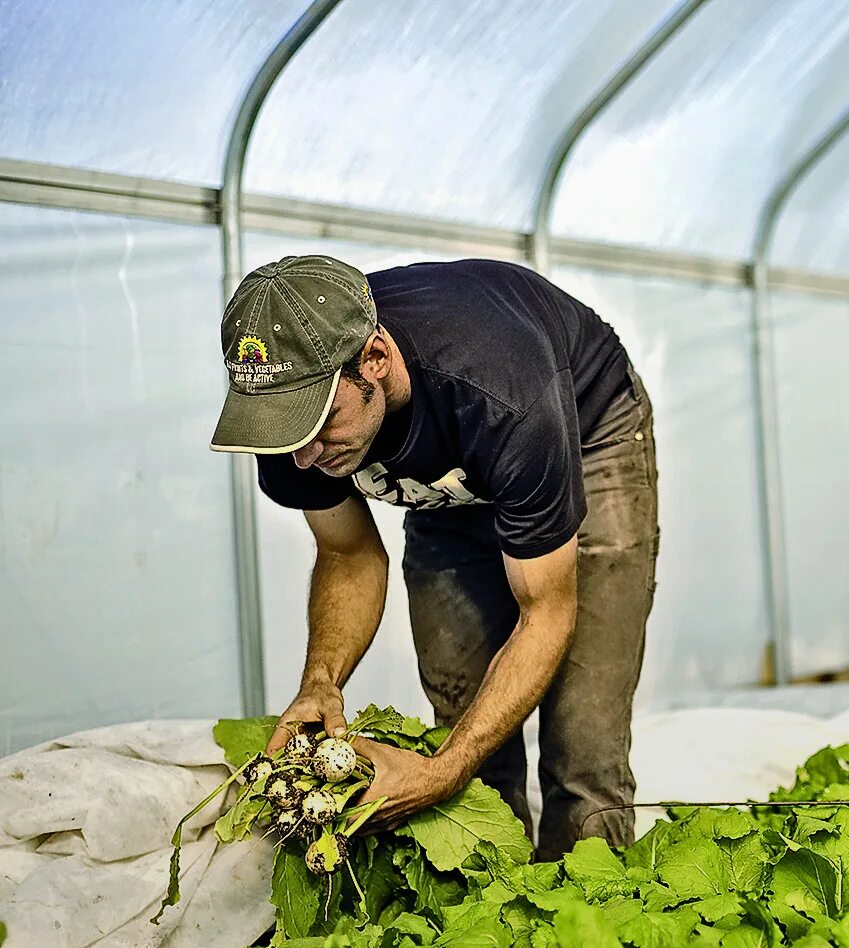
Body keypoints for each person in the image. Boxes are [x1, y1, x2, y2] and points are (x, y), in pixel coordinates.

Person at [209, 254, 658, 860]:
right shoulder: (293, 424)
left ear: (375, 358)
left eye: (320, 423)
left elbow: (545, 613)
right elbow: (347, 554)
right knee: (464, 716)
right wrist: (321, 684)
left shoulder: (500, 388)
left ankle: (591, 925)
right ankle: (495, 918)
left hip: (581, 434)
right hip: (452, 477)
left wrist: (443, 771)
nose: (304, 458)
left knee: (583, 747)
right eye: (288, 431)